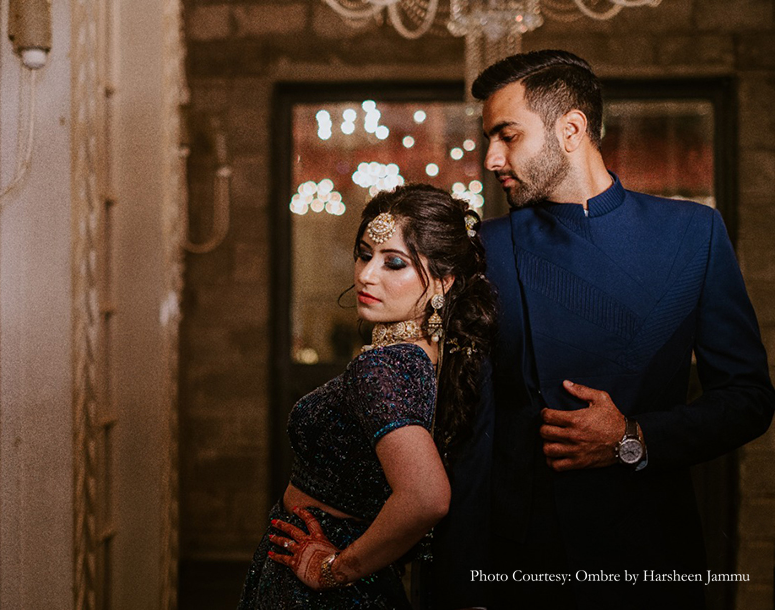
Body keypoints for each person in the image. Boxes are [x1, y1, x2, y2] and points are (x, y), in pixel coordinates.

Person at [433, 49, 775, 610]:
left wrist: (632, 437)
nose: (492, 158)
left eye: (508, 136)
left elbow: (748, 399)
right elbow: (467, 431)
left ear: (571, 129)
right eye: (489, 139)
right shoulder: (486, 249)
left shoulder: (693, 233)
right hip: (522, 562)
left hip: (649, 551)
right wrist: (462, 587)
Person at [238, 184, 496, 608]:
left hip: (317, 585)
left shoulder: (380, 368)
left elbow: (427, 497)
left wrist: (334, 569)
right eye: (364, 254)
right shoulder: (430, 359)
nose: (366, 275)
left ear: (443, 282)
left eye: (393, 263)